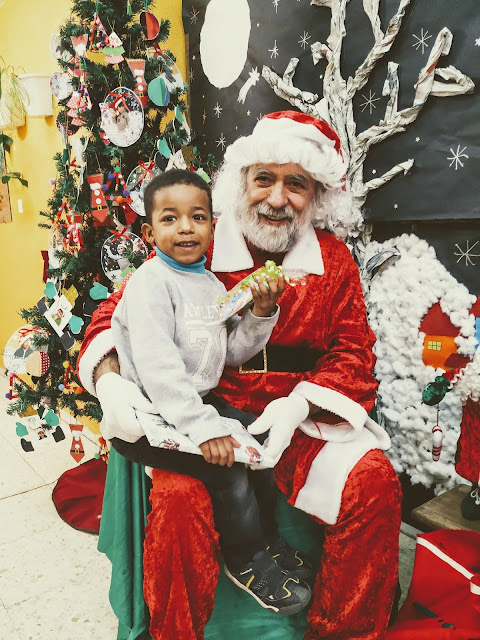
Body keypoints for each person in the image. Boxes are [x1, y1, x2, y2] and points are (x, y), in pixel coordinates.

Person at [78, 110, 402, 640]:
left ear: (316, 196)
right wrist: (110, 380)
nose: (277, 198)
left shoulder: (334, 260)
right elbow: (117, 314)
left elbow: (354, 351)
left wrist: (301, 404)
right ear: (242, 182)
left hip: (298, 420)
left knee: (375, 482)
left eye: (296, 184)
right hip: (207, 415)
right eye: (264, 179)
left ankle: (341, 630)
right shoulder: (197, 239)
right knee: (180, 501)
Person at [109, 168, 312, 616]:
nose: (186, 228)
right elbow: (160, 370)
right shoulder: (150, 284)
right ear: (149, 232)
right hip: (150, 418)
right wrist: (205, 429)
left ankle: (265, 539)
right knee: (229, 472)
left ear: (212, 227)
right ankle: (245, 559)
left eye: (197, 217)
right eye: (170, 218)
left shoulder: (210, 286)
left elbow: (231, 352)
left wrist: (261, 311)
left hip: (195, 404)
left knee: (256, 442)